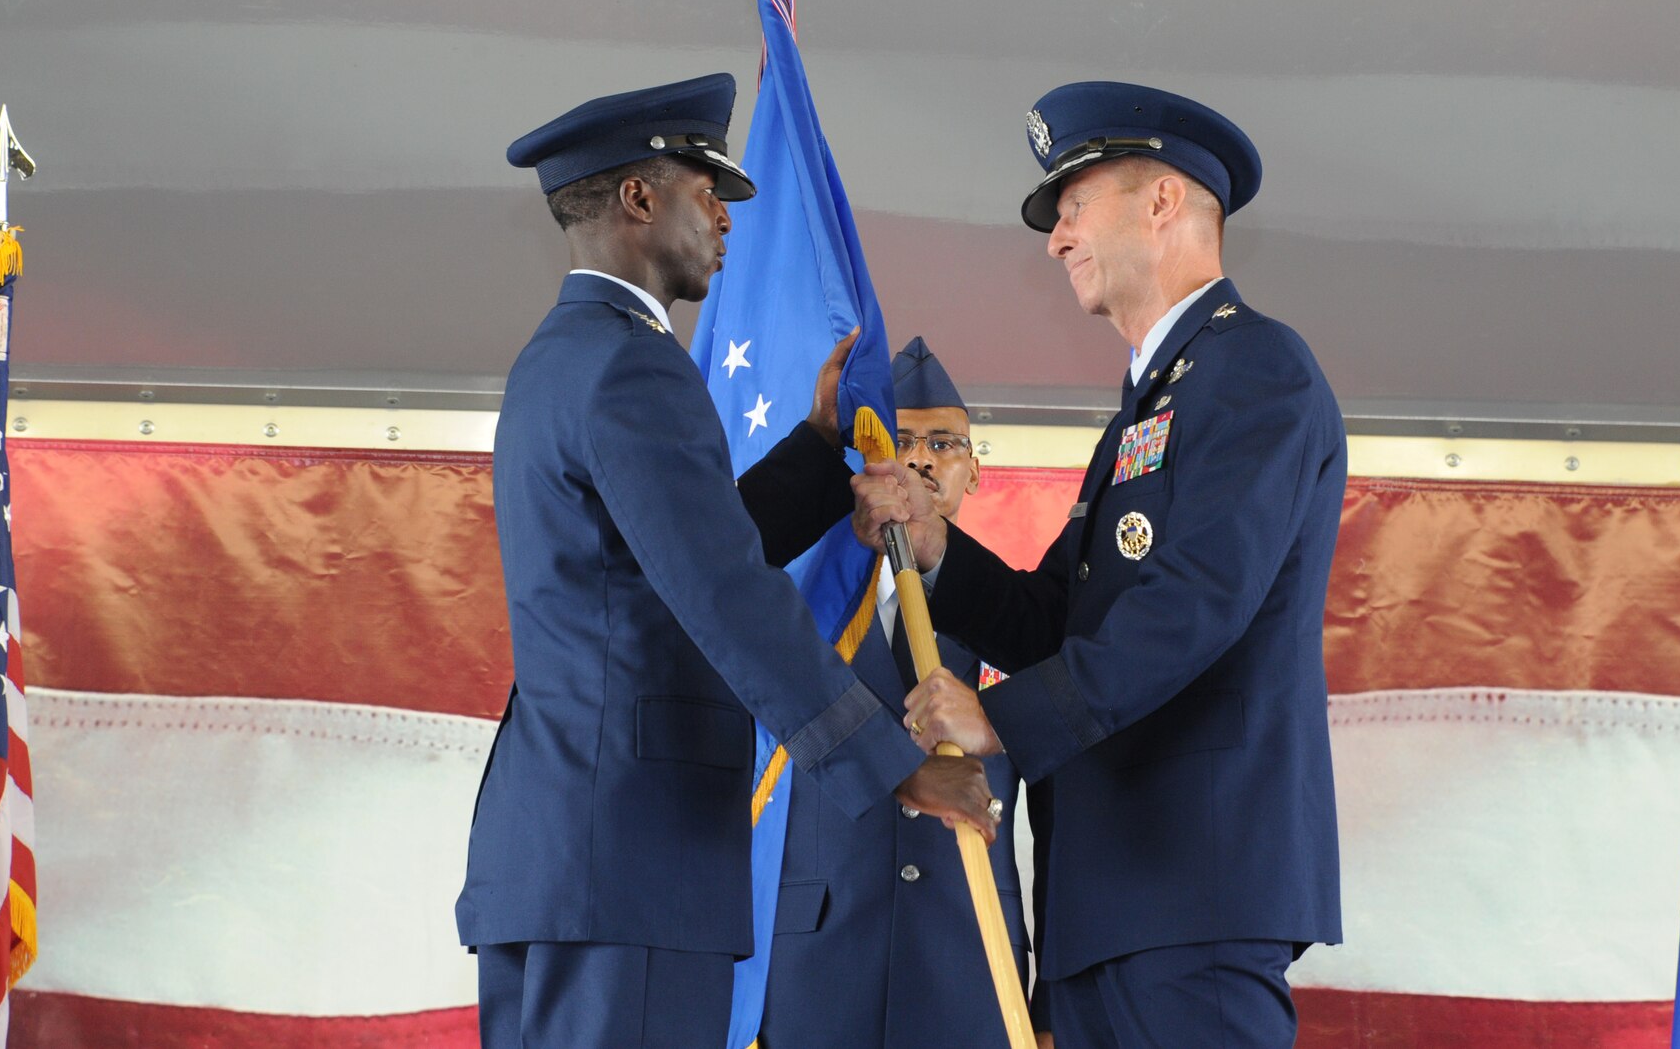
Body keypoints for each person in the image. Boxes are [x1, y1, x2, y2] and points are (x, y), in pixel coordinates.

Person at [457, 74, 999, 1049]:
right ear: (636, 198)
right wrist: (892, 770)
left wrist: (816, 443)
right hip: (630, 861)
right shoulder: (632, 364)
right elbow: (721, 589)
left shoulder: (562, 356)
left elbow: (672, 556)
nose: (722, 216)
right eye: (703, 190)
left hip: (576, 856)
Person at [854, 81, 1347, 1049]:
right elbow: (1055, 616)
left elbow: (1193, 604)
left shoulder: (1256, 372)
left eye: (1073, 203)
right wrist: (932, 544)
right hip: (1109, 905)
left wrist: (999, 715)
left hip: (1188, 897)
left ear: (1161, 201)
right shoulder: (1146, 406)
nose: (1054, 236)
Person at [760, 337, 1050, 1048]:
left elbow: (1060, 807)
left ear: (976, 469)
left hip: (973, 958)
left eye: (944, 442)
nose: (920, 458)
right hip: (817, 965)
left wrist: (1049, 1011)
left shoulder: (1025, 617)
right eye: (904, 438)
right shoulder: (803, 608)